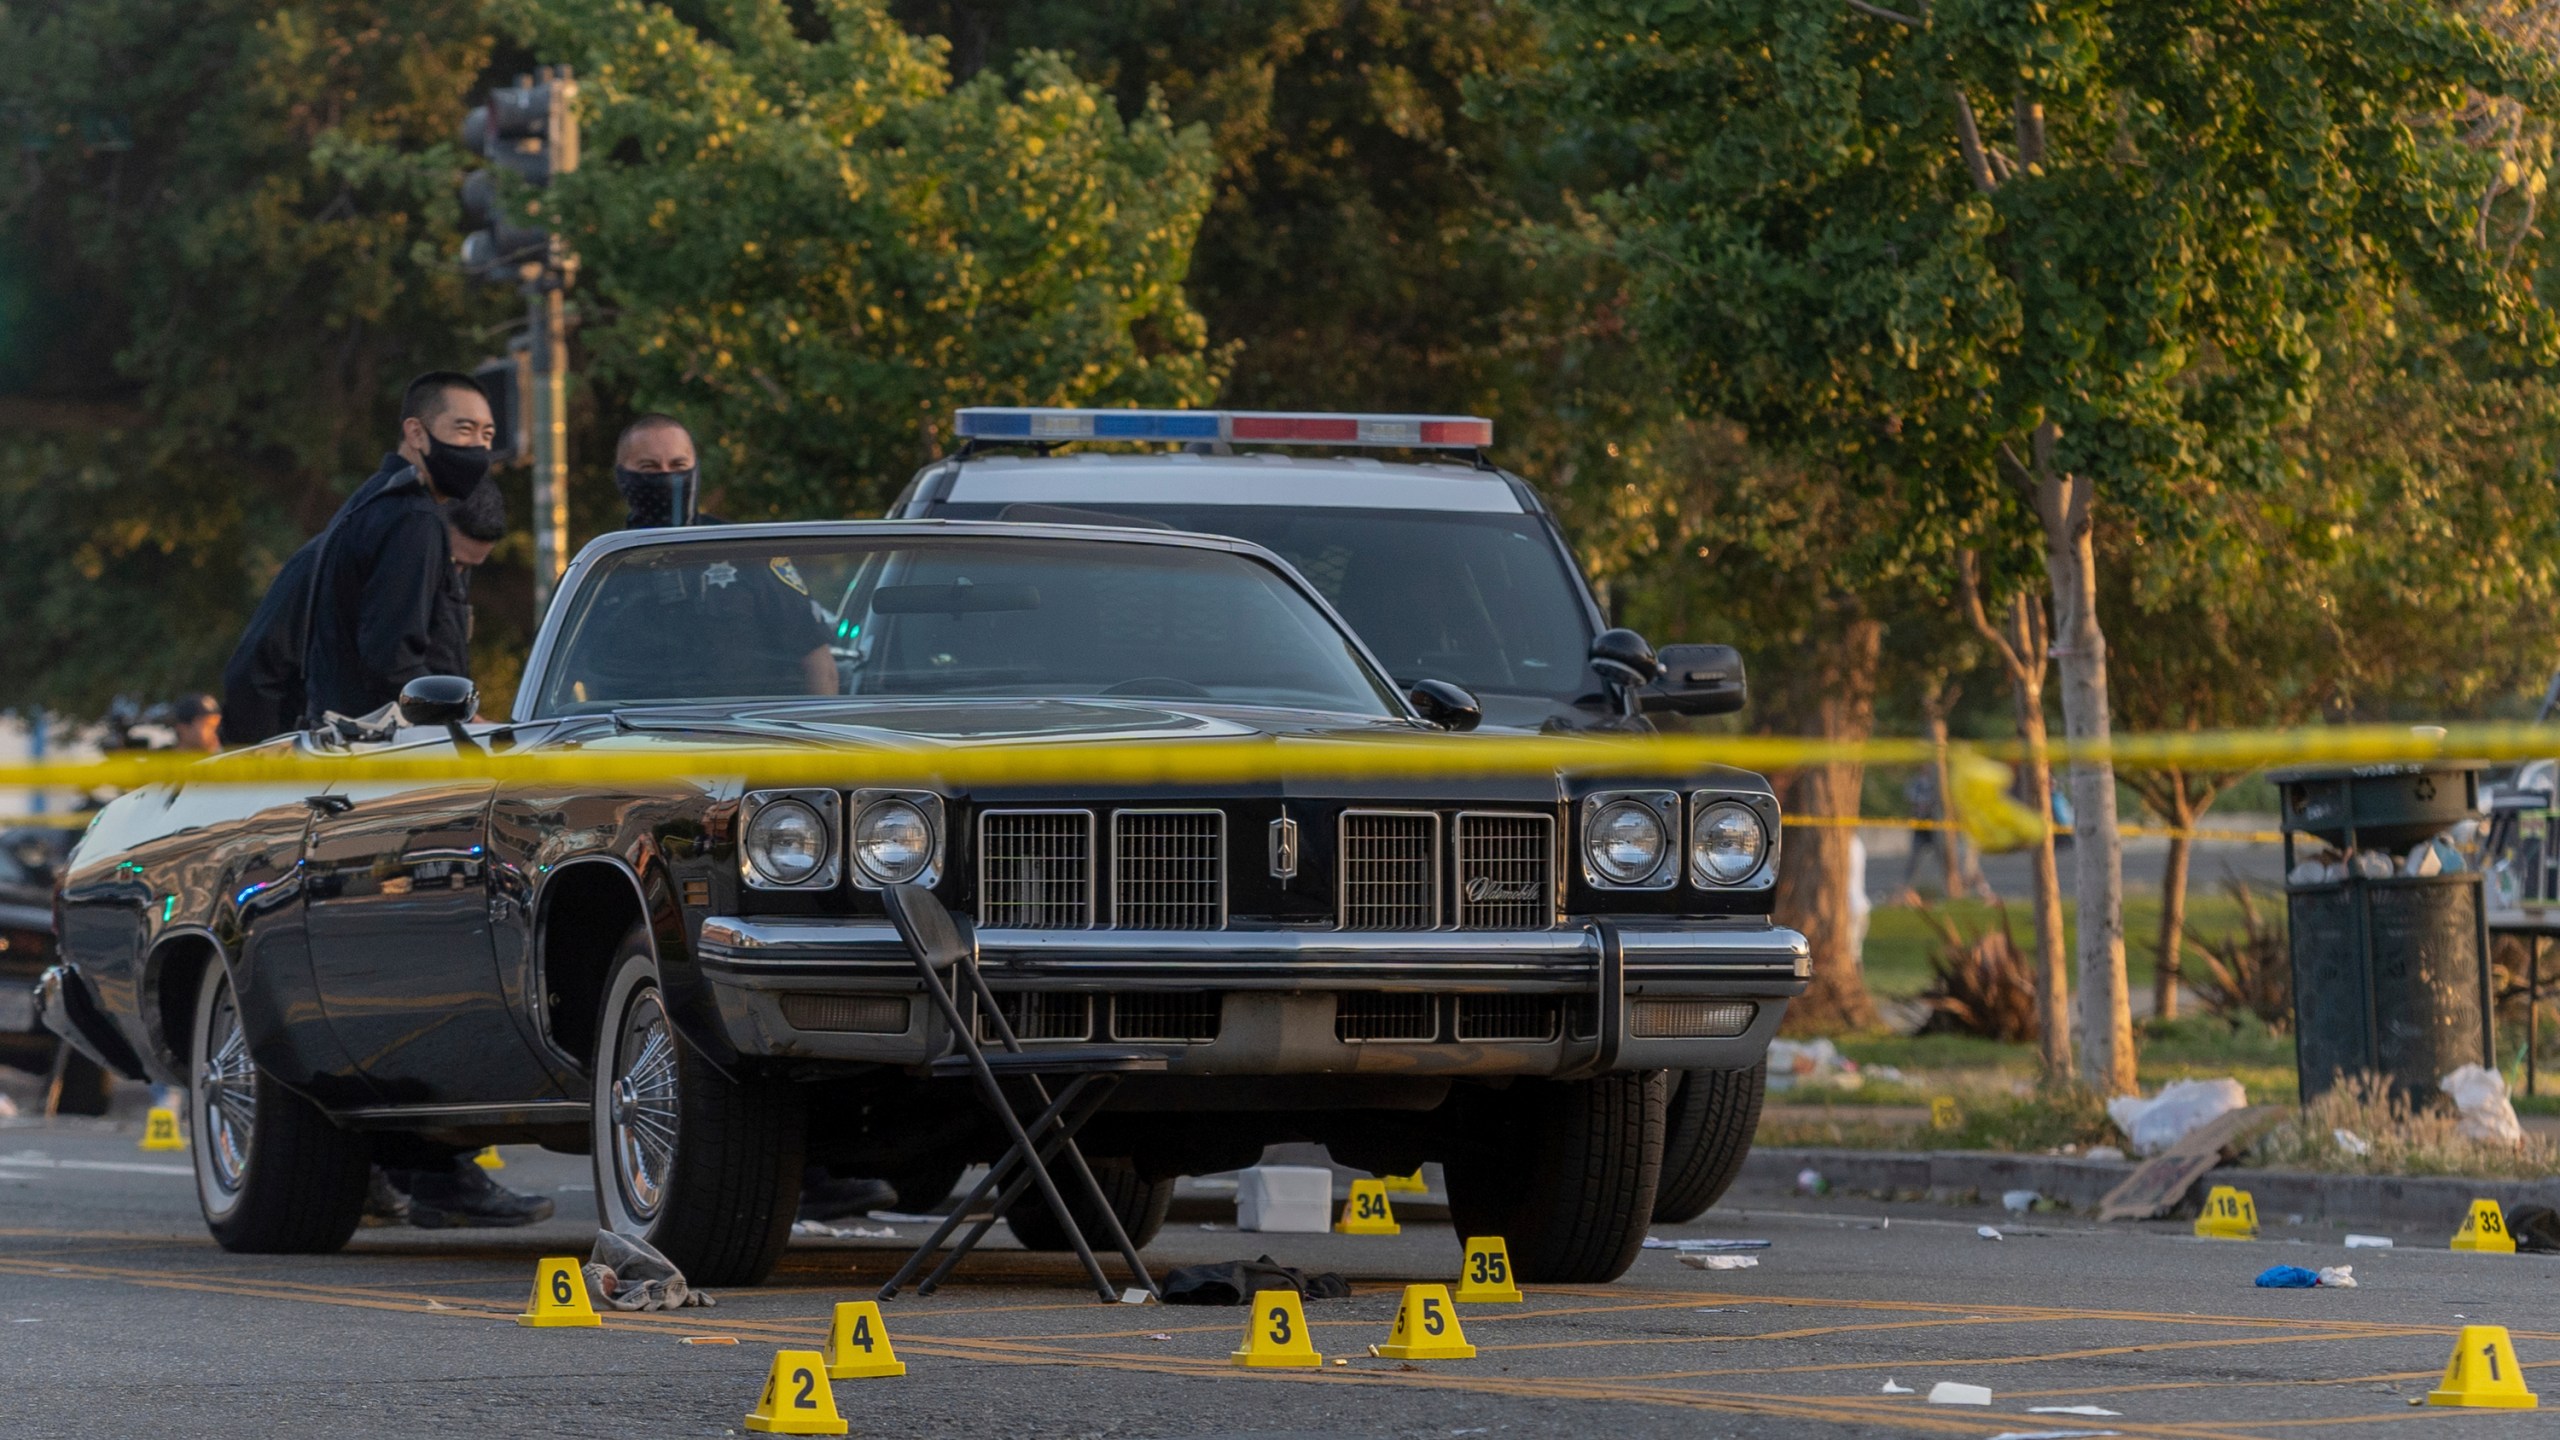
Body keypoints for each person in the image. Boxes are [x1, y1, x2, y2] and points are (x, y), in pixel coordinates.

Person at [612, 414, 890, 1222]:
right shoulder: (610, 567)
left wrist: (824, 755)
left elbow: (814, 656)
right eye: (647, 464)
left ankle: (821, 1165)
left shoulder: (741, 558)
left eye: (678, 462)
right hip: (654, 789)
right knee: (694, 979)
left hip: (768, 792)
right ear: (621, 475)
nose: (664, 475)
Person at [302, 372, 498, 725]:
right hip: (386, 750)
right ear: (416, 432)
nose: (478, 449)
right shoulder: (413, 519)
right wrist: (462, 721)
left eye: (487, 435)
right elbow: (393, 661)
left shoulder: (374, 500)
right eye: (464, 430)